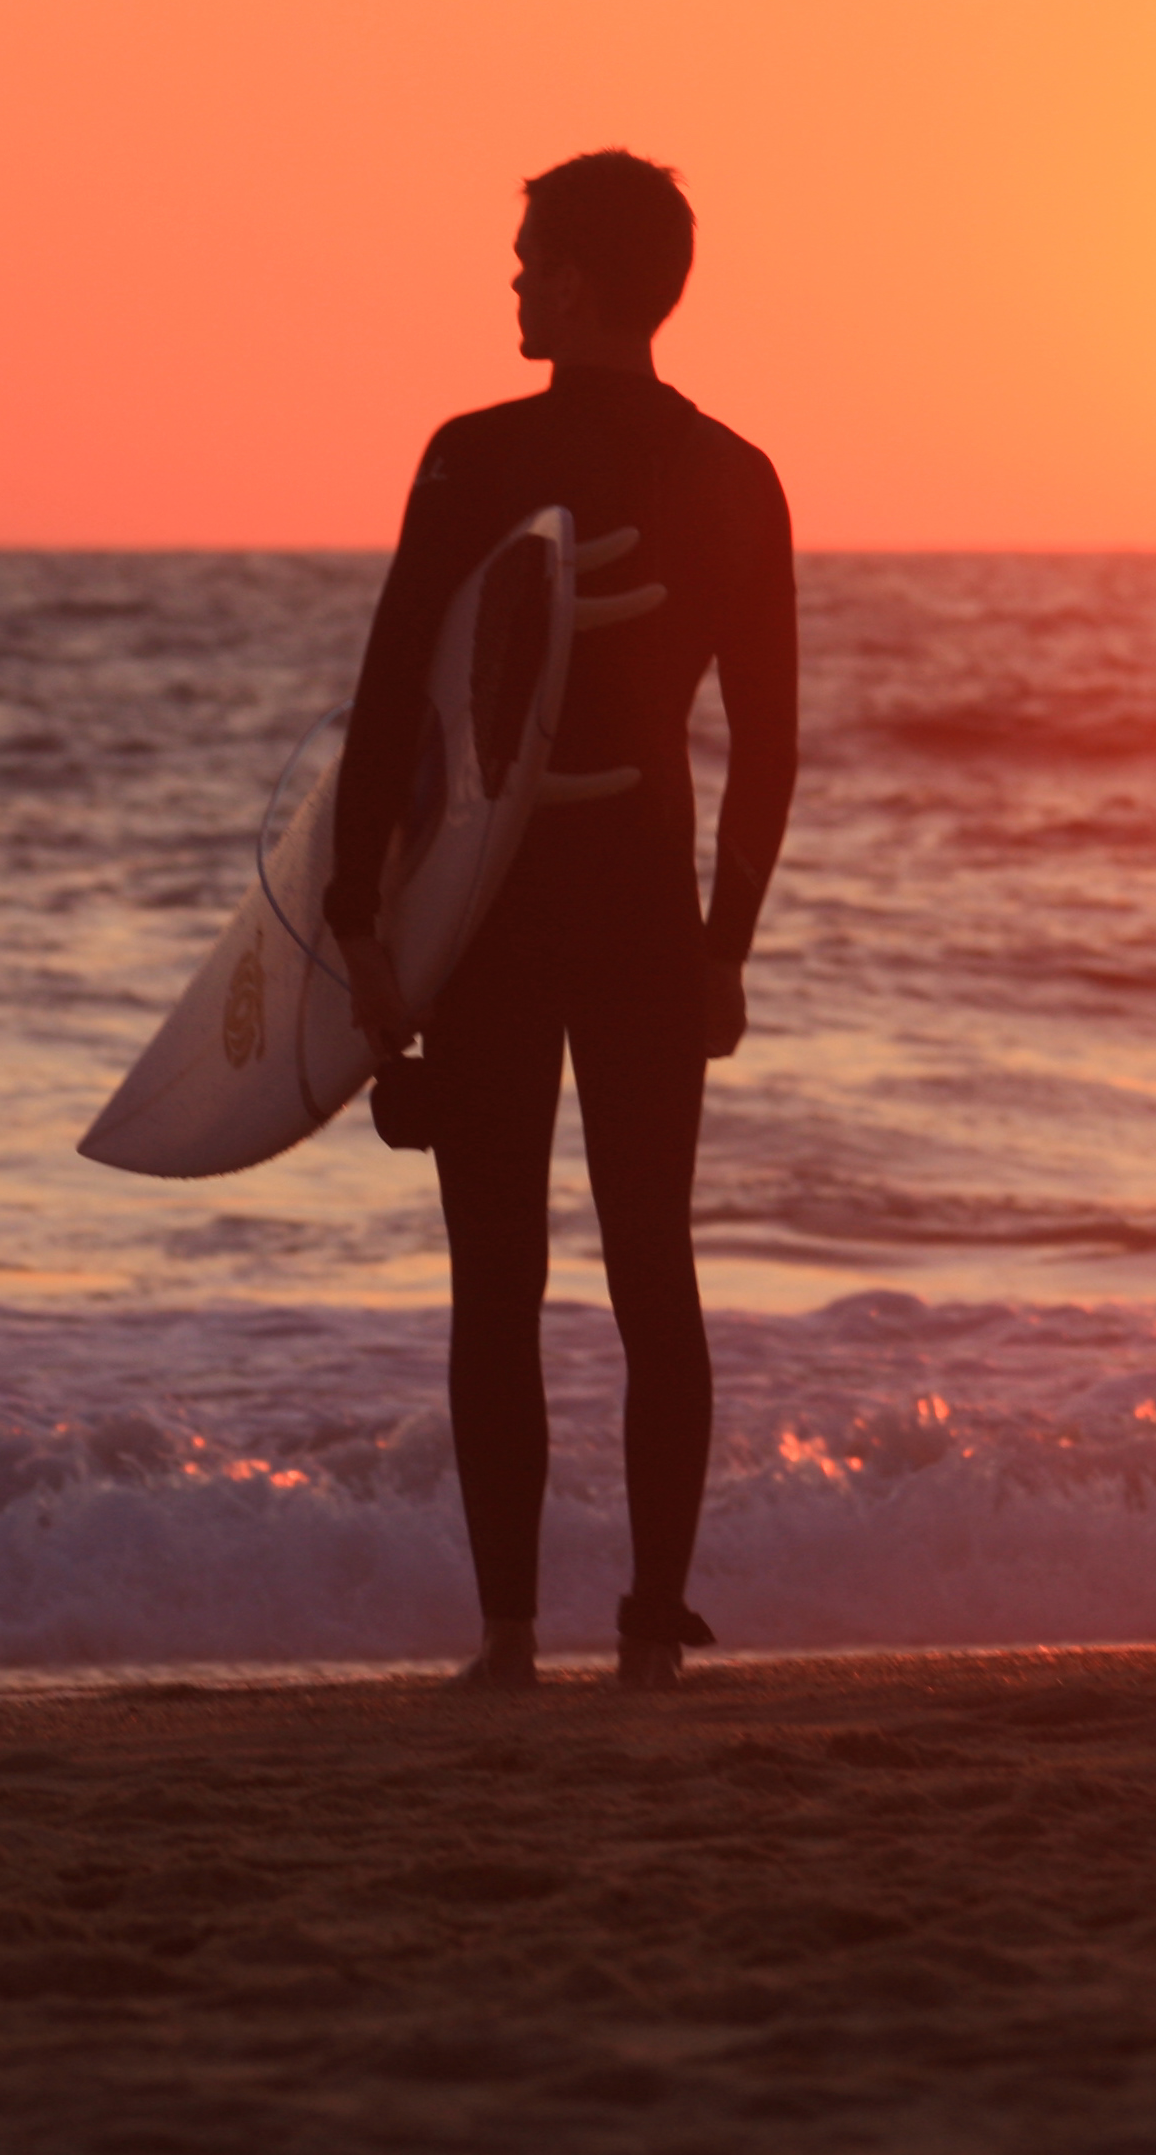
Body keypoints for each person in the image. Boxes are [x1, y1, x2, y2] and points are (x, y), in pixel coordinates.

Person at [329, 150, 798, 1692]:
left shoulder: (471, 458)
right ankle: (653, 1629)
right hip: (651, 921)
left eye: (530, 257)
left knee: (497, 1279)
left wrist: (358, 912)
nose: (515, 279)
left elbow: (397, 699)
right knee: (654, 1272)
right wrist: (727, 944)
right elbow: (769, 743)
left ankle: (509, 1639)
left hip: (500, 925)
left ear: (583, 281)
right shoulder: (736, 476)